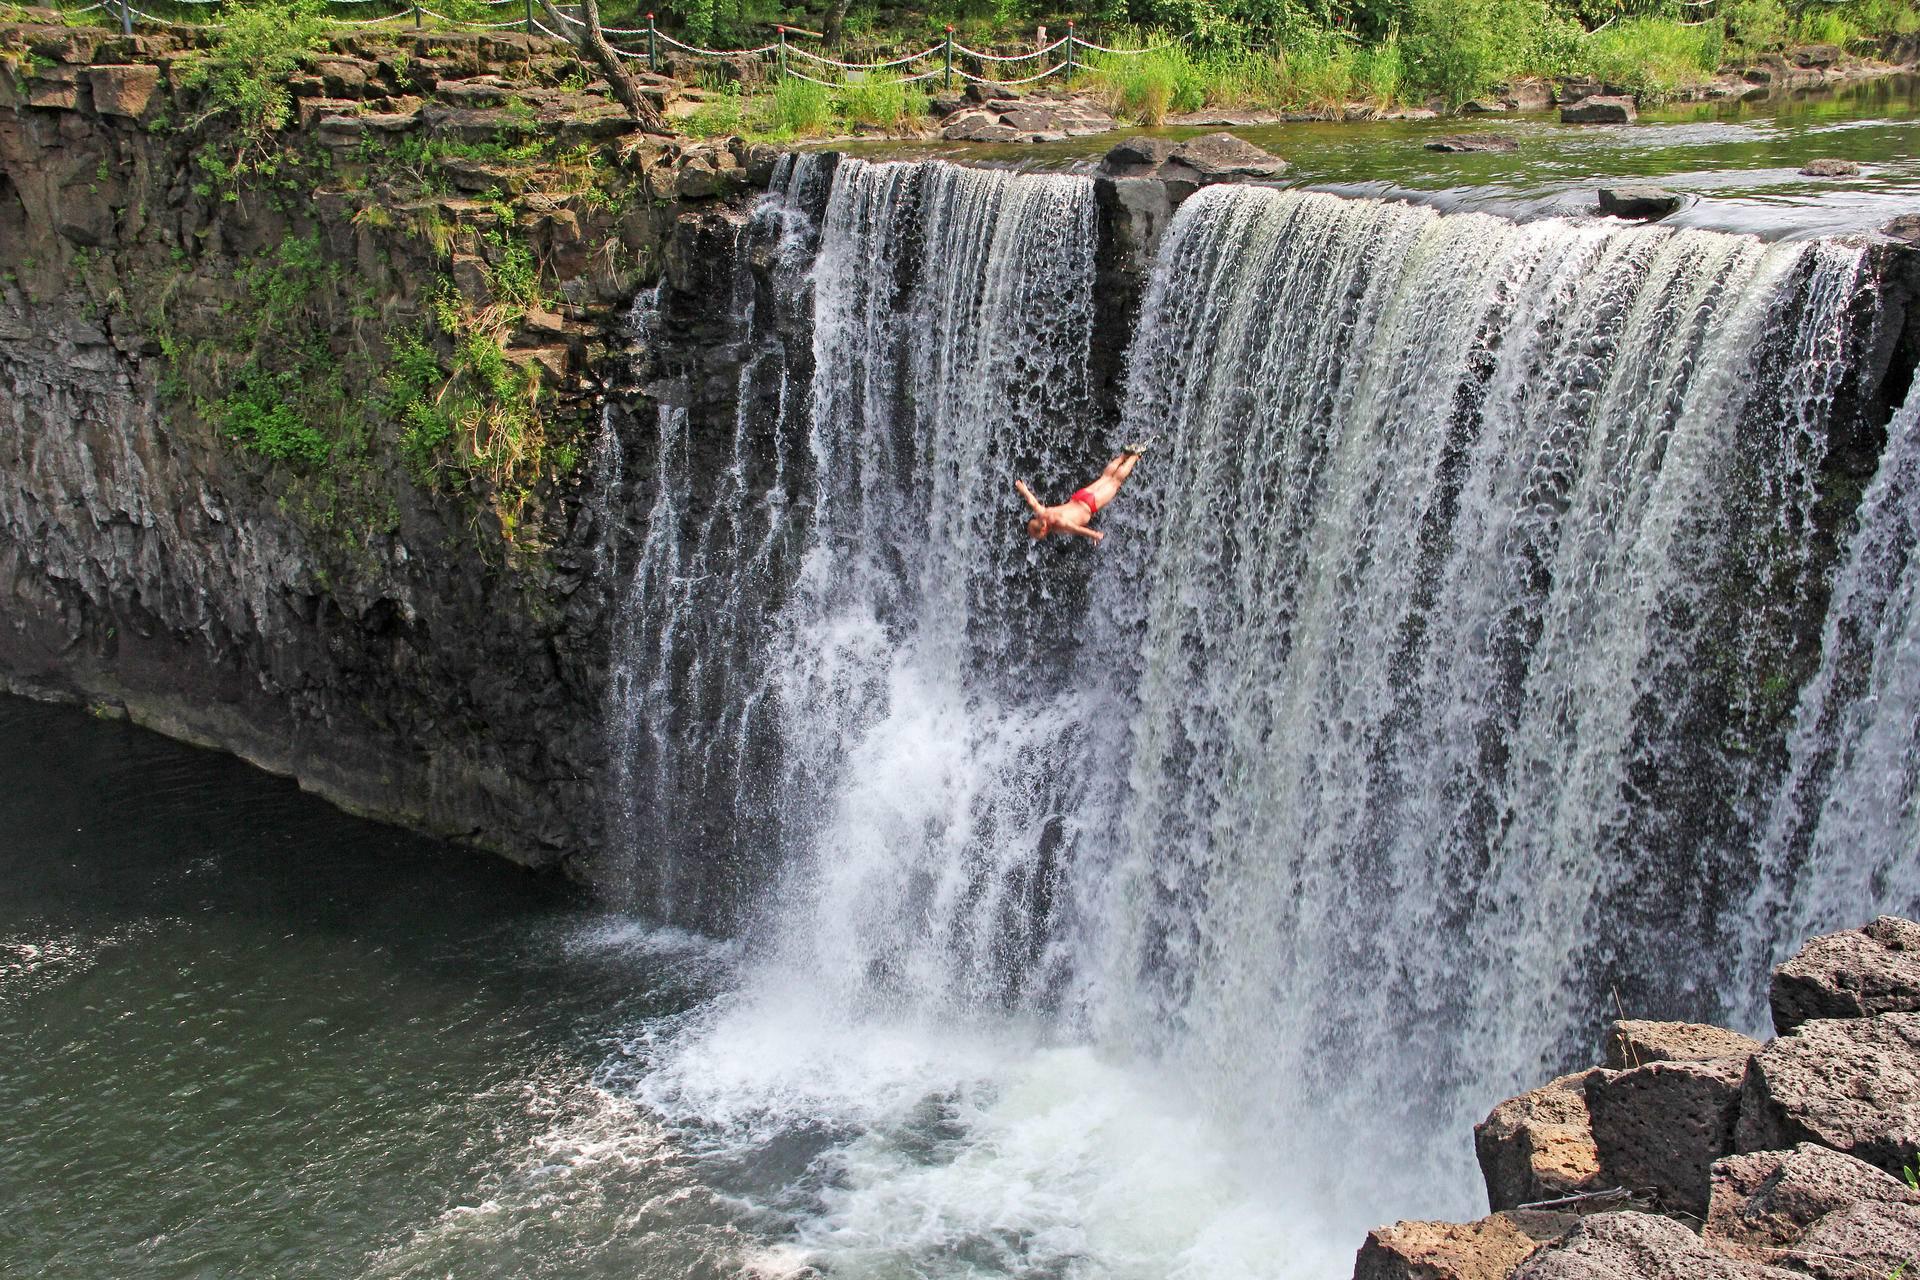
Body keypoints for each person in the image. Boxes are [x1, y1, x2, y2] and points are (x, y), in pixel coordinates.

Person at [1015, 443, 1151, 543]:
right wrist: (1022, 488)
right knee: (1105, 477)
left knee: (1115, 482)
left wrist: (1094, 535)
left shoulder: (1058, 523)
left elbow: (1075, 528)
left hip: (1089, 505)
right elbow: (1031, 501)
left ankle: (1135, 455)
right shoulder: (1042, 513)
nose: (1037, 539)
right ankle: (1123, 455)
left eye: (1037, 536)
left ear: (1043, 530)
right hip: (1079, 497)